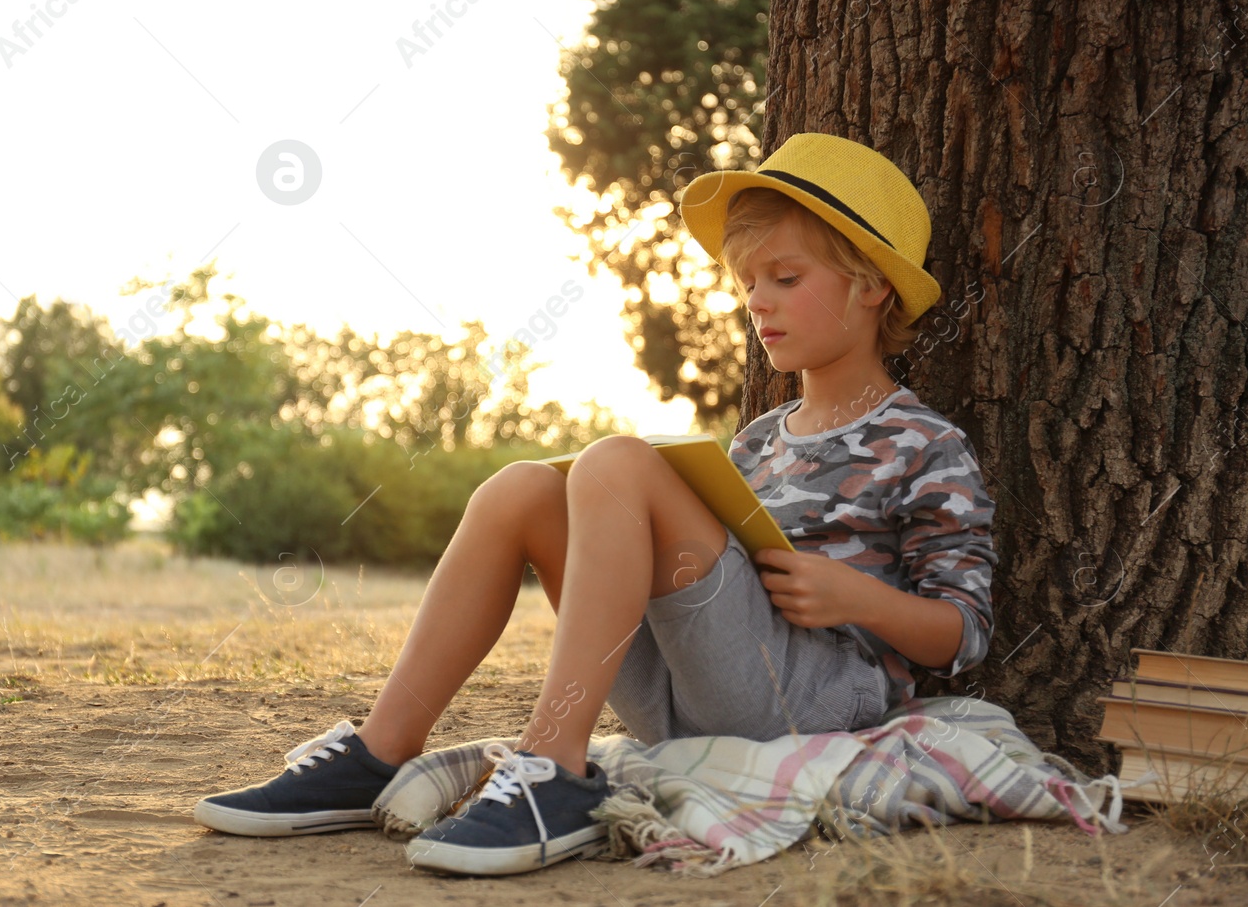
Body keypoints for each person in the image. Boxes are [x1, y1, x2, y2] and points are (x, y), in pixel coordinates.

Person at [191, 131, 998, 877]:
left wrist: (857, 597)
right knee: (522, 487)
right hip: (695, 690)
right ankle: (379, 749)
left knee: (617, 462)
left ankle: (555, 769)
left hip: (815, 703)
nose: (758, 302)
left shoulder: (926, 444)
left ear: (870, 287)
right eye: (749, 283)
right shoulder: (757, 440)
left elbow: (964, 633)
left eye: (786, 279)